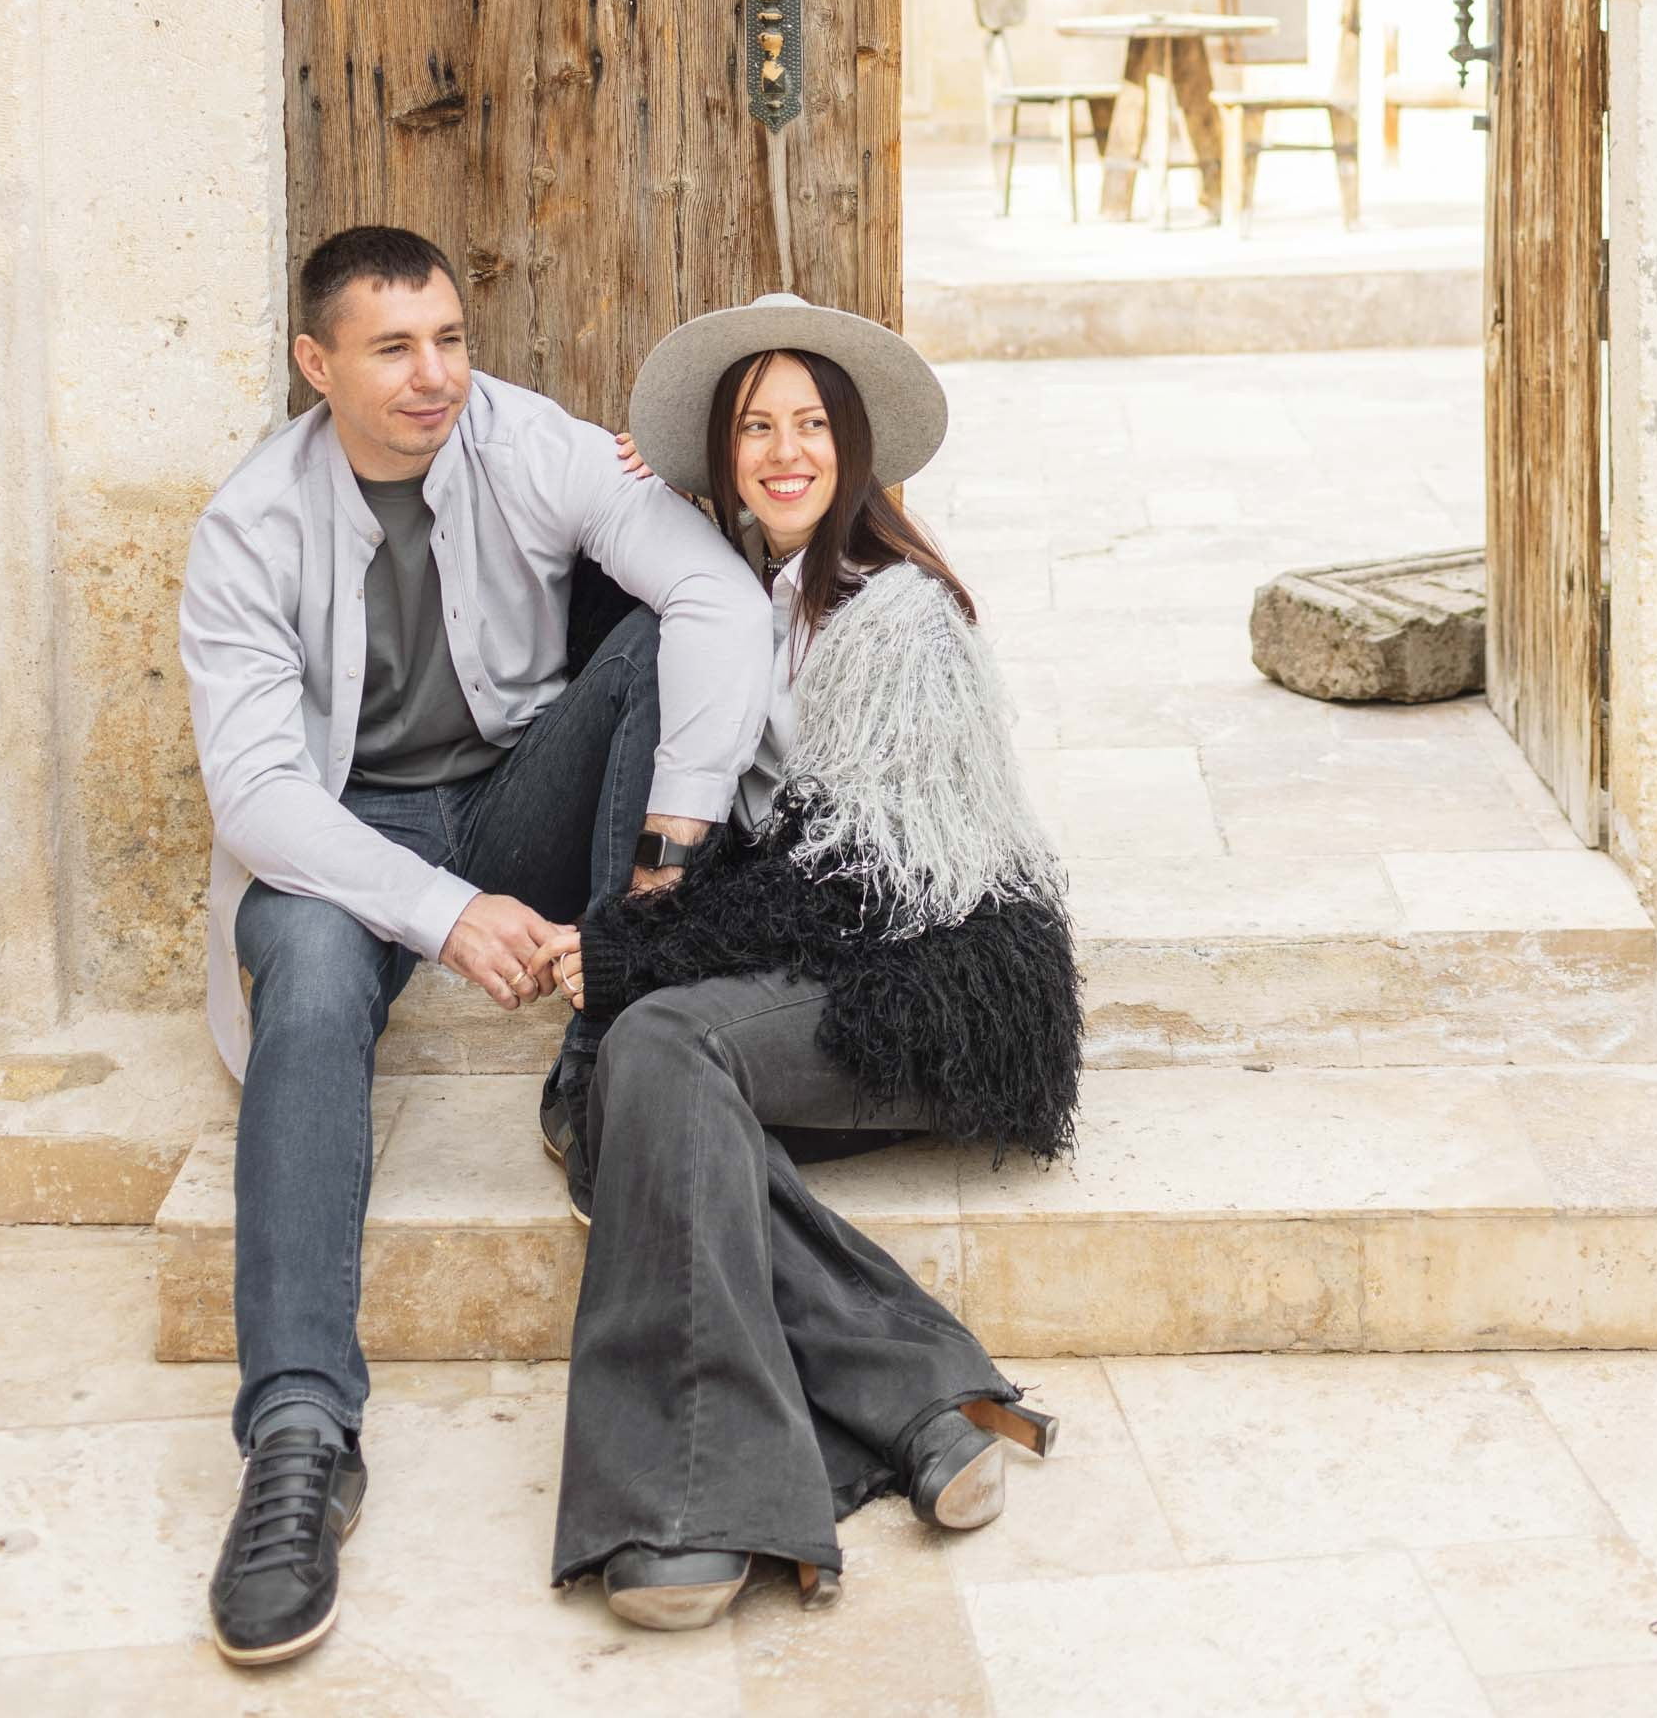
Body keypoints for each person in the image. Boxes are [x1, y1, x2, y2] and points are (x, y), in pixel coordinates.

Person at [180, 226, 775, 1668]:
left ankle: (597, 1049)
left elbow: (715, 596)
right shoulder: (249, 525)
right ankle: (300, 1443)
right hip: (341, 834)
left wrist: (664, 856)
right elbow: (258, 794)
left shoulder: (530, 439)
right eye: (392, 348)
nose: (435, 374)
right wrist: (441, 917)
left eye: (449, 336)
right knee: (314, 976)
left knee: (648, 637)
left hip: (519, 797)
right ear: (316, 365)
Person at [547, 290, 1081, 1633]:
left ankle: (686, 1504)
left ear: (853, 448)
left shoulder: (892, 613)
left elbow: (865, 885)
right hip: (848, 979)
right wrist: (627, 499)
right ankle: (920, 1405)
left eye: (809, 427)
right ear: (723, 458)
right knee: (634, 1112)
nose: (784, 451)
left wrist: (633, 953)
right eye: (749, 428)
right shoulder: (755, 602)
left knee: (653, 1052)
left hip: (940, 995)